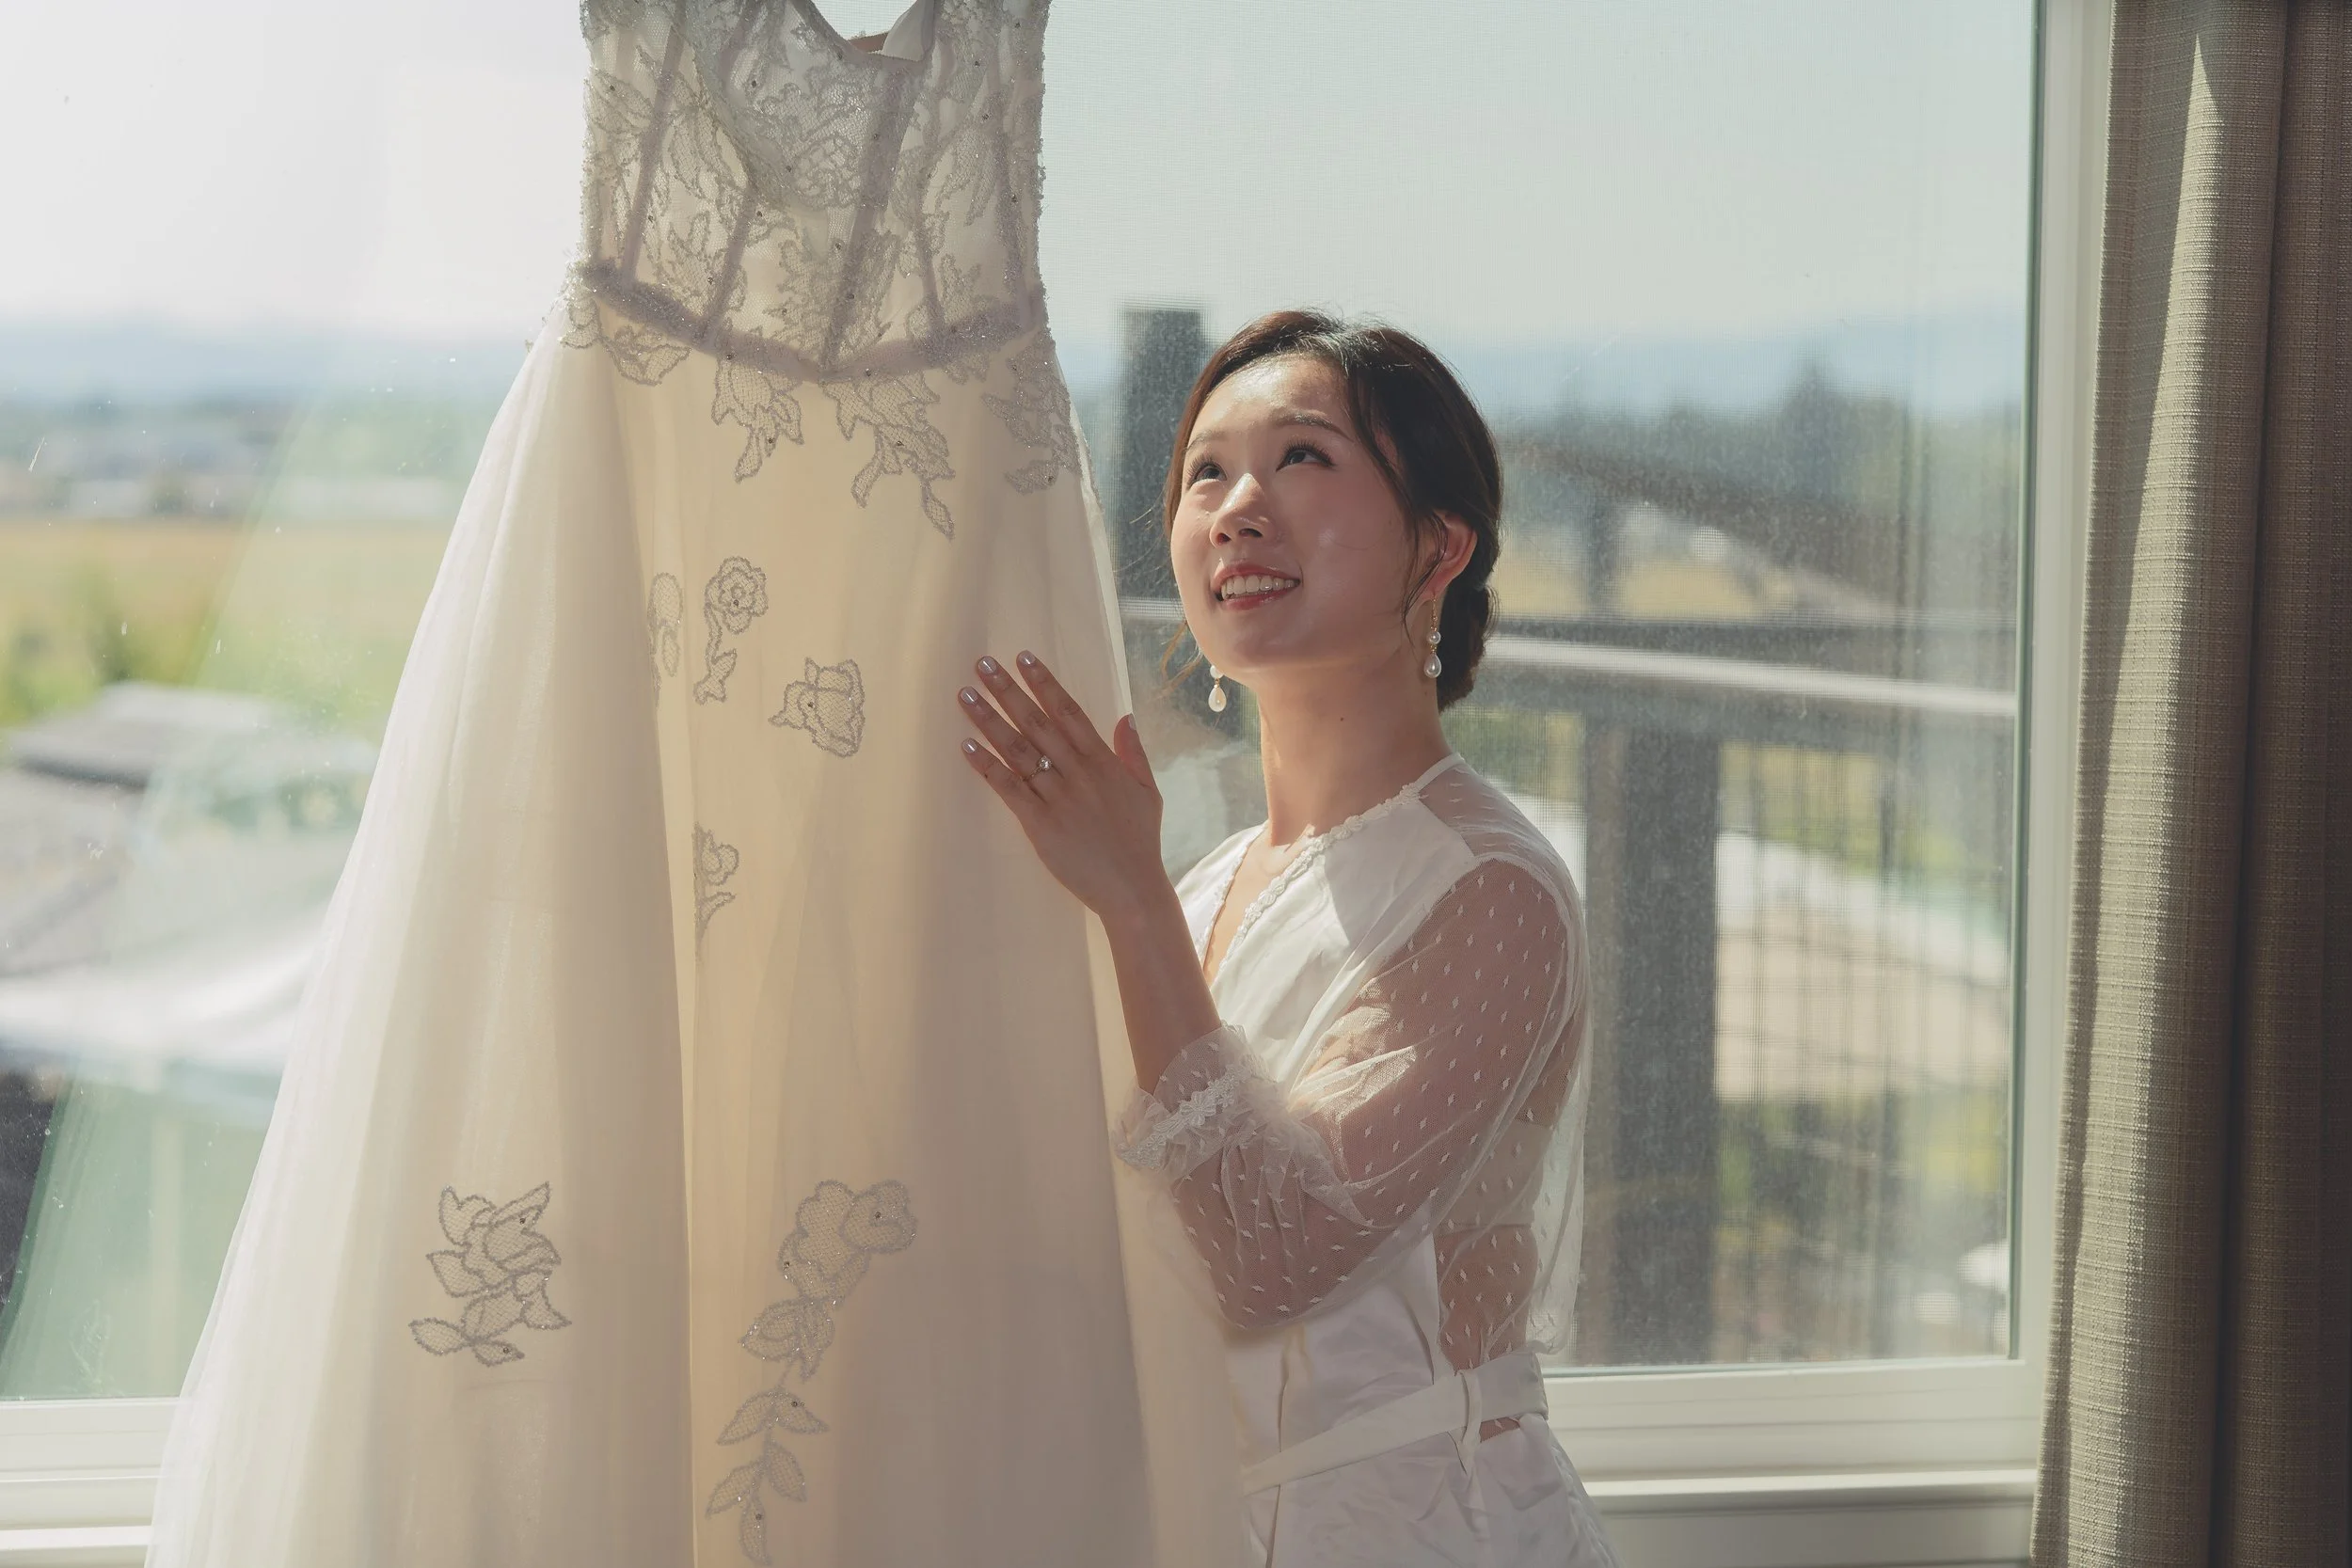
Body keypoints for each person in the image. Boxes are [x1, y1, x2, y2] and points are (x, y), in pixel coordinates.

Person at [957, 309, 1623, 1566]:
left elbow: (1274, 1259)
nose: (1238, 506)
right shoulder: (1210, 886)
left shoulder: (1491, 889)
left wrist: (1129, 902)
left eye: (1303, 458)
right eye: (1206, 470)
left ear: (1439, 546)